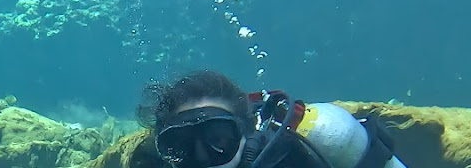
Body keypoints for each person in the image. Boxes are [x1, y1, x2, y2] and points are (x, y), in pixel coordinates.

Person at [137, 70, 403, 168]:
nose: (204, 161)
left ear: (246, 132)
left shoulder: (296, 158)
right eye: (181, 146)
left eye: (217, 139)